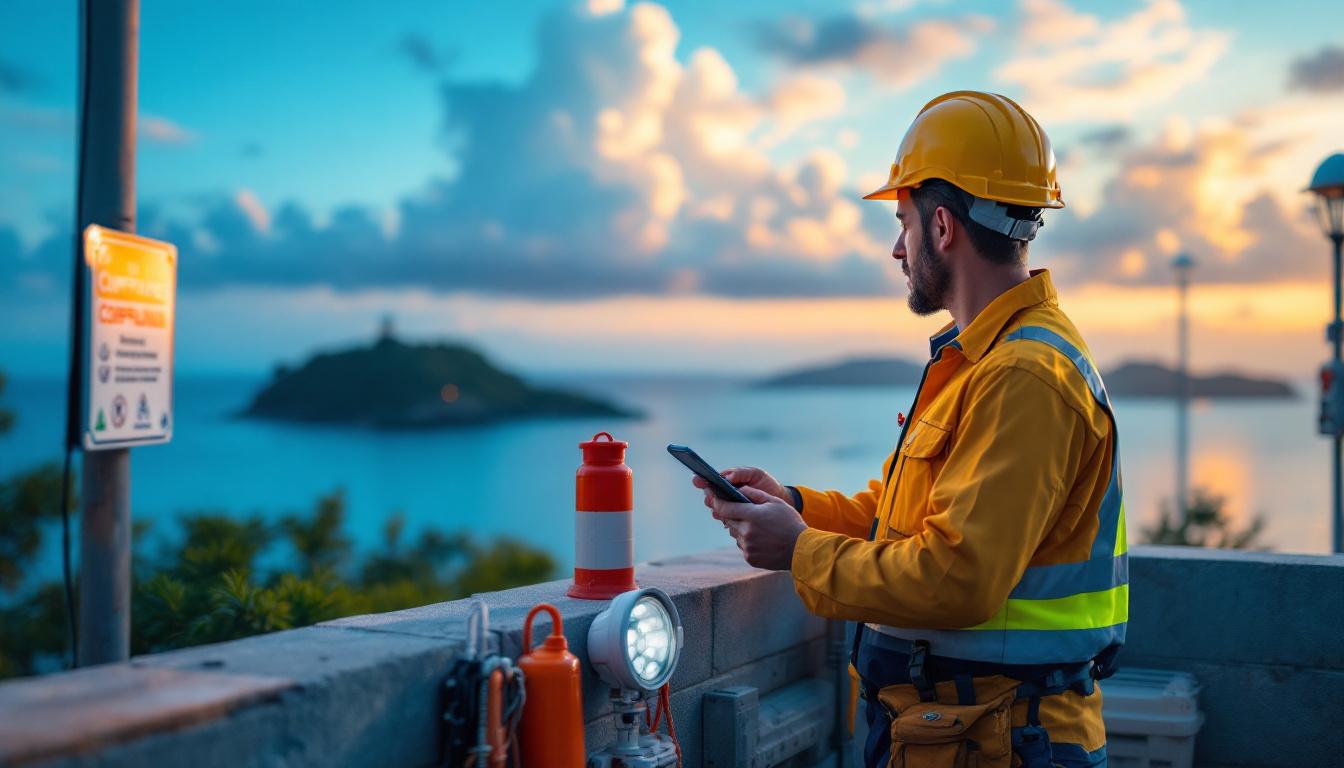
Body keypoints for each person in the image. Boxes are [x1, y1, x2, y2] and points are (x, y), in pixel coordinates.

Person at [694, 91, 1125, 768]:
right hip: (963, 733)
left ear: (944, 227)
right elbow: (912, 524)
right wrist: (798, 508)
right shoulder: (981, 360)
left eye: (903, 223)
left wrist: (799, 551)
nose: (898, 248)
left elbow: (958, 578)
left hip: (1004, 742)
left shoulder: (1024, 375)